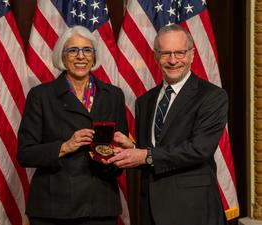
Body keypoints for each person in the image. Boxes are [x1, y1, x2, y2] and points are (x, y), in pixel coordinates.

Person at [108, 24, 228, 225]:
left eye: (180, 53)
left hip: (193, 210)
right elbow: (153, 155)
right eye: (165, 54)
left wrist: (145, 155)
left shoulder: (212, 96)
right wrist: (133, 151)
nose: (173, 60)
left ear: (192, 55)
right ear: (156, 56)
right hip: (151, 209)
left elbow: (199, 149)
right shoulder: (145, 101)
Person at [16, 25, 128, 225]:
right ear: (62, 56)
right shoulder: (41, 96)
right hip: (53, 209)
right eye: (73, 50)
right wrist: (65, 146)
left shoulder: (114, 95)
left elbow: (119, 157)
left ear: (94, 56)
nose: (80, 56)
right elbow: (25, 153)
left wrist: (113, 157)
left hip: (100, 207)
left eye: (87, 50)